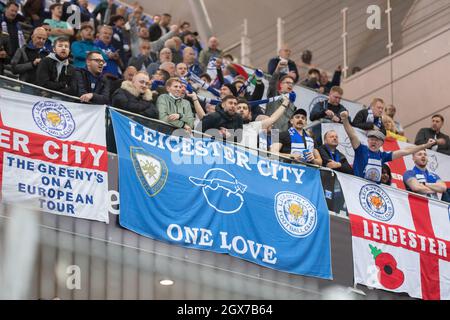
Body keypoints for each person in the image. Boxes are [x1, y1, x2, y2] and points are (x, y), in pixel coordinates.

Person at [340, 111, 437, 184]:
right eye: (371, 139)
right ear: (368, 140)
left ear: (381, 143)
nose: (373, 141)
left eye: (376, 140)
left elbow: (406, 151)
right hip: (357, 185)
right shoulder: (361, 149)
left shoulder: (383, 156)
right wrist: (344, 119)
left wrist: (425, 146)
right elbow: (352, 135)